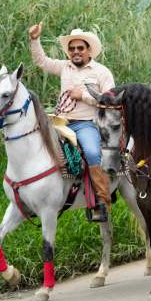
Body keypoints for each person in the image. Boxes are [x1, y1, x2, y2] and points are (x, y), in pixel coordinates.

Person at [28, 23, 115, 222]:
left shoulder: (101, 72)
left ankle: (101, 202)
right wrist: (34, 40)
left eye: (80, 48)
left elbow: (110, 100)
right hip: (60, 121)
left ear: (88, 50)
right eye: (72, 49)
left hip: (86, 124)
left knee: (93, 152)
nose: (75, 52)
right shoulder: (63, 66)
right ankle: (35, 197)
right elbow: (41, 61)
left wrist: (83, 95)